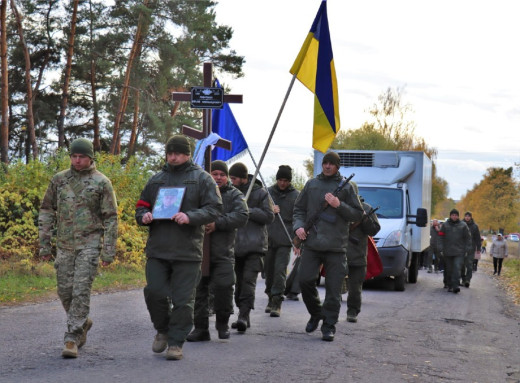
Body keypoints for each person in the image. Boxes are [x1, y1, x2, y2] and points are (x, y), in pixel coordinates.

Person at [135, 135, 222, 361]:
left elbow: (214, 209)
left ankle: (175, 342)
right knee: (154, 292)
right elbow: (141, 206)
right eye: (169, 153)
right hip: (158, 249)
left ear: (187, 154)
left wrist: (190, 216)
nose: (173, 157)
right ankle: (162, 329)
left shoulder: (202, 179)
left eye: (177, 153)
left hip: (188, 251)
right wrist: (143, 216)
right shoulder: (156, 180)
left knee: (183, 301)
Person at [39, 138, 118, 358]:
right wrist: (44, 244)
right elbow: (46, 211)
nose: (77, 160)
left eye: (81, 156)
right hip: (64, 245)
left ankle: (72, 338)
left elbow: (111, 218)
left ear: (91, 158)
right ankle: (82, 321)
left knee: (81, 291)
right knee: (65, 291)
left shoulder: (102, 182)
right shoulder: (59, 180)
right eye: (74, 156)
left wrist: (108, 251)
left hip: (90, 245)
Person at [293, 151, 364, 341]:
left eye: (331, 163)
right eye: (325, 163)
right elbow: (299, 209)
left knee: (334, 290)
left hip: (336, 247)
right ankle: (317, 313)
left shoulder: (347, 188)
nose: (327, 166)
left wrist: (338, 204)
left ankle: (329, 325)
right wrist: (299, 227)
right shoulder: (312, 184)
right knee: (305, 280)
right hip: (313, 244)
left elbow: (358, 214)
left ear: (337, 166)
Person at [187, 160, 248, 342]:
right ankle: (200, 329)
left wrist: (217, 223)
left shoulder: (234, 194)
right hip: (198, 251)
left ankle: (222, 323)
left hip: (223, 252)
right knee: (199, 291)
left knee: (224, 288)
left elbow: (242, 215)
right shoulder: (199, 191)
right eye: (215, 174)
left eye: (222, 174)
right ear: (209, 175)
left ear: (227, 177)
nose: (218, 178)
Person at [229, 162, 274, 332]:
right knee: (238, 284)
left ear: (242, 178)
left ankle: (243, 315)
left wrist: (249, 210)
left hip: (255, 246)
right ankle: (242, 312)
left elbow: (270, 216)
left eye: (234, 178)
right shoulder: (231, 193)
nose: (231, 181)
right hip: (235, 245)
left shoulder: (261, 193)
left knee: (248, 282)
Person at [264, 165, 300, 317]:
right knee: (268, 273)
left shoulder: (296, 195)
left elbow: (299, 217)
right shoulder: (268, 193)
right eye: (280, 180)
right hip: (268, 238)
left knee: (280, 272)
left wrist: (297, 239)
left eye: (285, 180)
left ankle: (277, 302)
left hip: (285, 239)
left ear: (289, 181)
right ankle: (270, 297)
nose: (282, 183)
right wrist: (269, 209)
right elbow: (258, 211)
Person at [344, 183, 380, 323]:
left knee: (355, 288)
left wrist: (365, 219)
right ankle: (329, 312)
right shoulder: (339, 207)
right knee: (333, 285)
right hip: (338, 252)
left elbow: (374, 230)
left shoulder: (366, 208)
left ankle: (352, 311)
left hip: (357, 254)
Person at [438, 209, 471, 293]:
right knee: (449, 269)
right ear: (450, 216)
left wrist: (467, 249)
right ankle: (450, 285)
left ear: (458, 216)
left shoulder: (463, 225)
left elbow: (468, 238)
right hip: (447, 251)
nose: (454, 216)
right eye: (452, 215)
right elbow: (440, 237)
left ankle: (455, 285)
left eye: (456, 215)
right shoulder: (445, 225)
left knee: (457, 268)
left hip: (459, 251)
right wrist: (441, 248)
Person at [461, 211, 481, 287]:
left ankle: (467, 280)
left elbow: (477, 238)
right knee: (462, 265)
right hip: (461, 248)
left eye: (468, 216)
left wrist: (478, 248)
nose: (467, 217)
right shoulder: (461, 224)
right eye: (466, 216)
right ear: (464, 217)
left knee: (469, 265)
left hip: (471, 248)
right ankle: (463, 279)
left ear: (471, 217)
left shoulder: (475, 226)